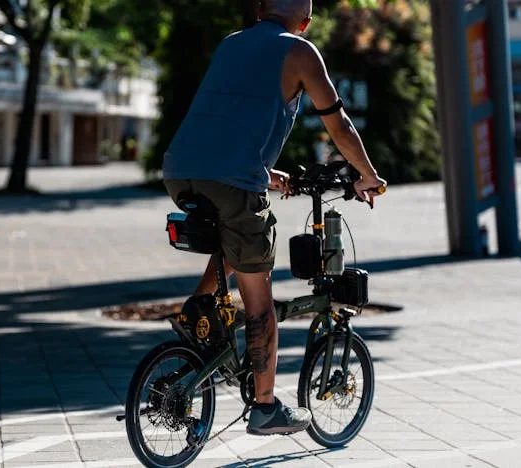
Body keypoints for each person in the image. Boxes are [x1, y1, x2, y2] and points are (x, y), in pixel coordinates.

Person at [162, 0, 387, 436]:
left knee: (234, 237)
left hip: (181, 169)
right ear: (305, 22)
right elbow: (337, 124)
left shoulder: (231, 44)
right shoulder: (299, 51)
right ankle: (265, 408)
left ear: (261, 10)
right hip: (231, 181)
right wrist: (368, 175)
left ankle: (195, 313)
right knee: (259, 300)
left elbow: (223, 125)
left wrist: (264, 174)